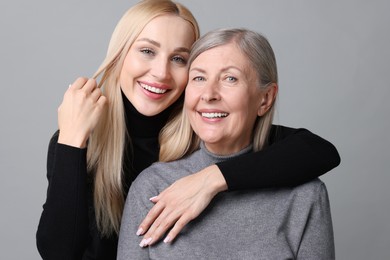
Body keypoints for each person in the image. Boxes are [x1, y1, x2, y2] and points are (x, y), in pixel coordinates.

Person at [36, 0, 339, 259]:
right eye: (146, 51)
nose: (161, 72)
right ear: (118, 57)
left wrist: (211, 179)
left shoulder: (208, 126)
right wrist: (72, 140)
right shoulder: (84, 139)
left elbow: (319, 151)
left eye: (179, 59)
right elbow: (60, 253)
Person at [118, 28, 335, 260]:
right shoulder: (153, 187)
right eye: (199, 78)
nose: (209, 94)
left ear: (266, 99)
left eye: (230, 78)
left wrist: (212, 178)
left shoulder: (305, 196)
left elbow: (322, 150)